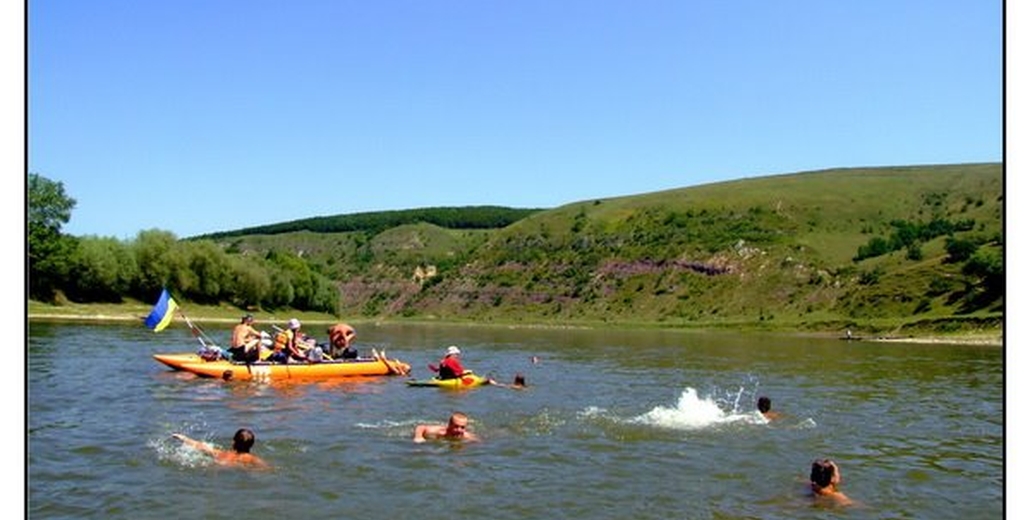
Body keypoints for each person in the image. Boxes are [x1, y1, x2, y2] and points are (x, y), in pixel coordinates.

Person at [172, 428, 269, 469]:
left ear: (233, 441)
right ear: (252, 444)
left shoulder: (223, 453)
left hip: (217, 464)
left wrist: (184, 438)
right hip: (228, 469)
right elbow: (266, 469)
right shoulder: (250, 458)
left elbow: (201, 446)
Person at [412, 411, 480, 443]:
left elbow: (478, 442)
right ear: (449, 425)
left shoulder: (466, 436)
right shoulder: (439, 431)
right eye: (456, 426)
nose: (459, 430)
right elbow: (420, 427)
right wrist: (418, 437)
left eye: (462, 427)